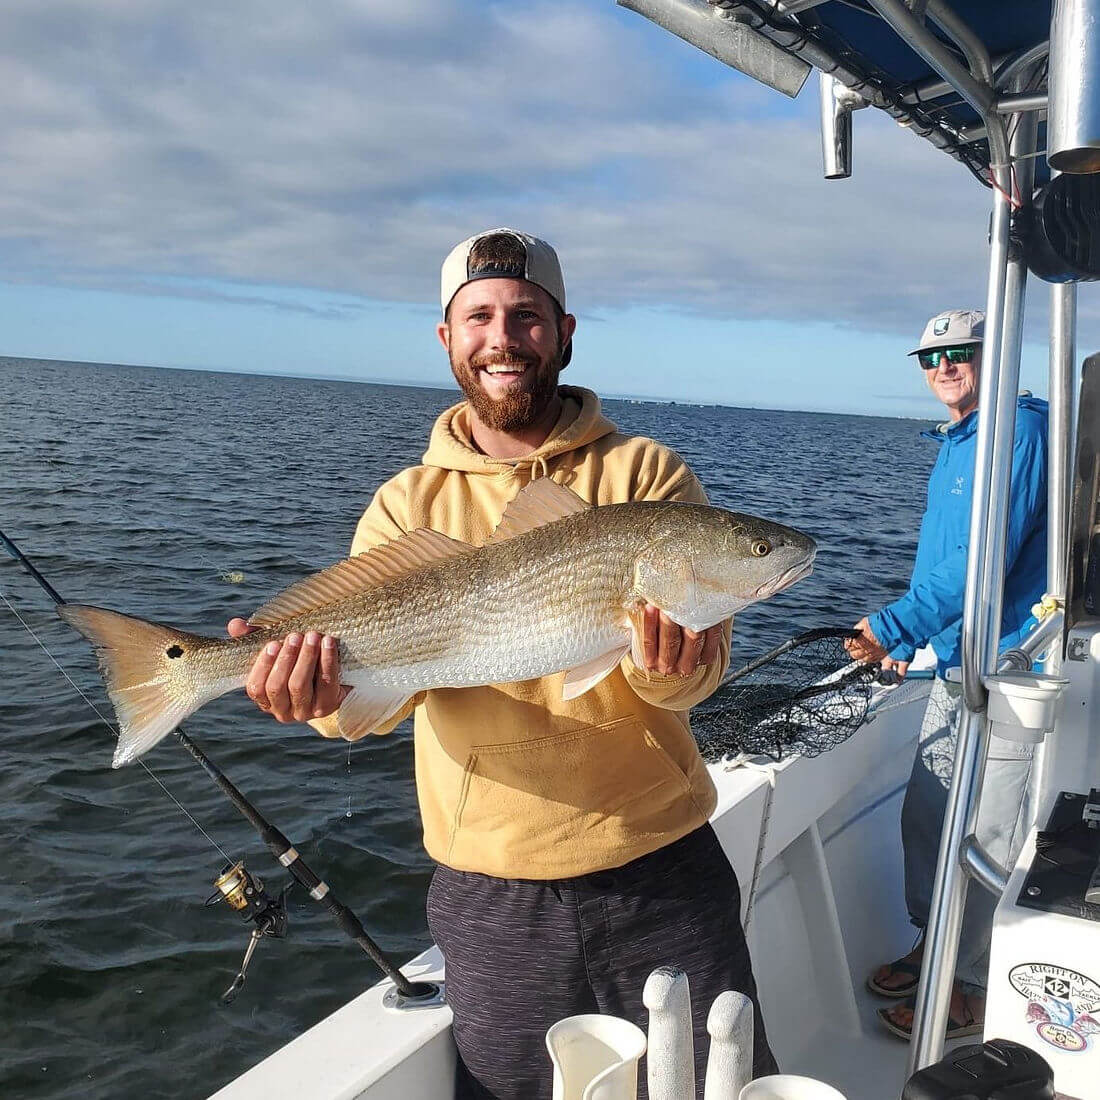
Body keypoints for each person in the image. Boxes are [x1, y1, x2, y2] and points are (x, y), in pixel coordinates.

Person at [228, 228, 778, 1098]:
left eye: (526, 317)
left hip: (660, 866)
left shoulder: (646, 474)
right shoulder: (407, 502)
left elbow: (696, 679)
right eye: (478, 316)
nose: (503, 338)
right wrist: (309, 692)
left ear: (564, 332)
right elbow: (354, 711)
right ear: (447, 338)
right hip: (491, 887)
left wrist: (671, 666)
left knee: (713, 1085)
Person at [845, 309, 1047, 1042]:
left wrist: (896, 625)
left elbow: (984, 554)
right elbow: (942, 563)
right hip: (960, 656)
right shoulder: (958, 442)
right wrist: (917, 639)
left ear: (994, 358)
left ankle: (967, 983)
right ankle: (937, 943)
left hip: (1015, 663)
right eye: (930, 357)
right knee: (930, 809)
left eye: (961, 352)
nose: (944, 366)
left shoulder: (1017, 432)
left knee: (988, 828)